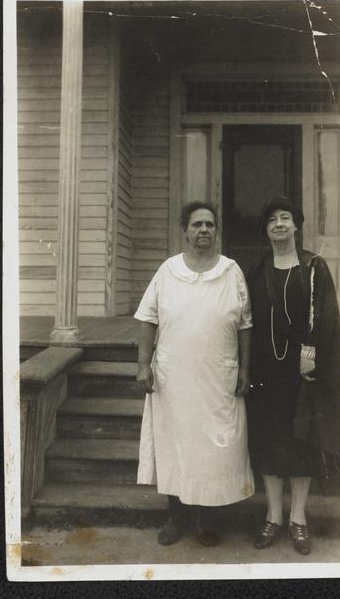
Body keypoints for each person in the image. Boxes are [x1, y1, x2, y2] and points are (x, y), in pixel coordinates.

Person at [135, 200, 255, 546]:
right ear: (184, 231)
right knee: (176, 446)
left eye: (209, 225)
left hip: (219, 377)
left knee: (215, 450)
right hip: (174, 379)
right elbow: (147, 318)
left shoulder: (232, 272)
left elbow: (245, 324)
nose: (203, 230)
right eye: (196, 225)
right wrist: (143, 364)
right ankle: (177, 517)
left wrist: (245, 368)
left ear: (217, 231)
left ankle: (207, 520)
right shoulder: (168, 271)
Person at [246, 196, 340, 556]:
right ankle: (273, 515)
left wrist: (309, 354)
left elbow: (325, 316)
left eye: (286, 218)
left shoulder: (314, 266)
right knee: (271, 441)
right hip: (267, 372)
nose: (279, 224)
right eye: (272, 219)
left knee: (301, 441)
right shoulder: (257, 271)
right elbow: (249, 320)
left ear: (297, 226)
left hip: (305, 371)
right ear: (266, 229)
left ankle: (298, 519)